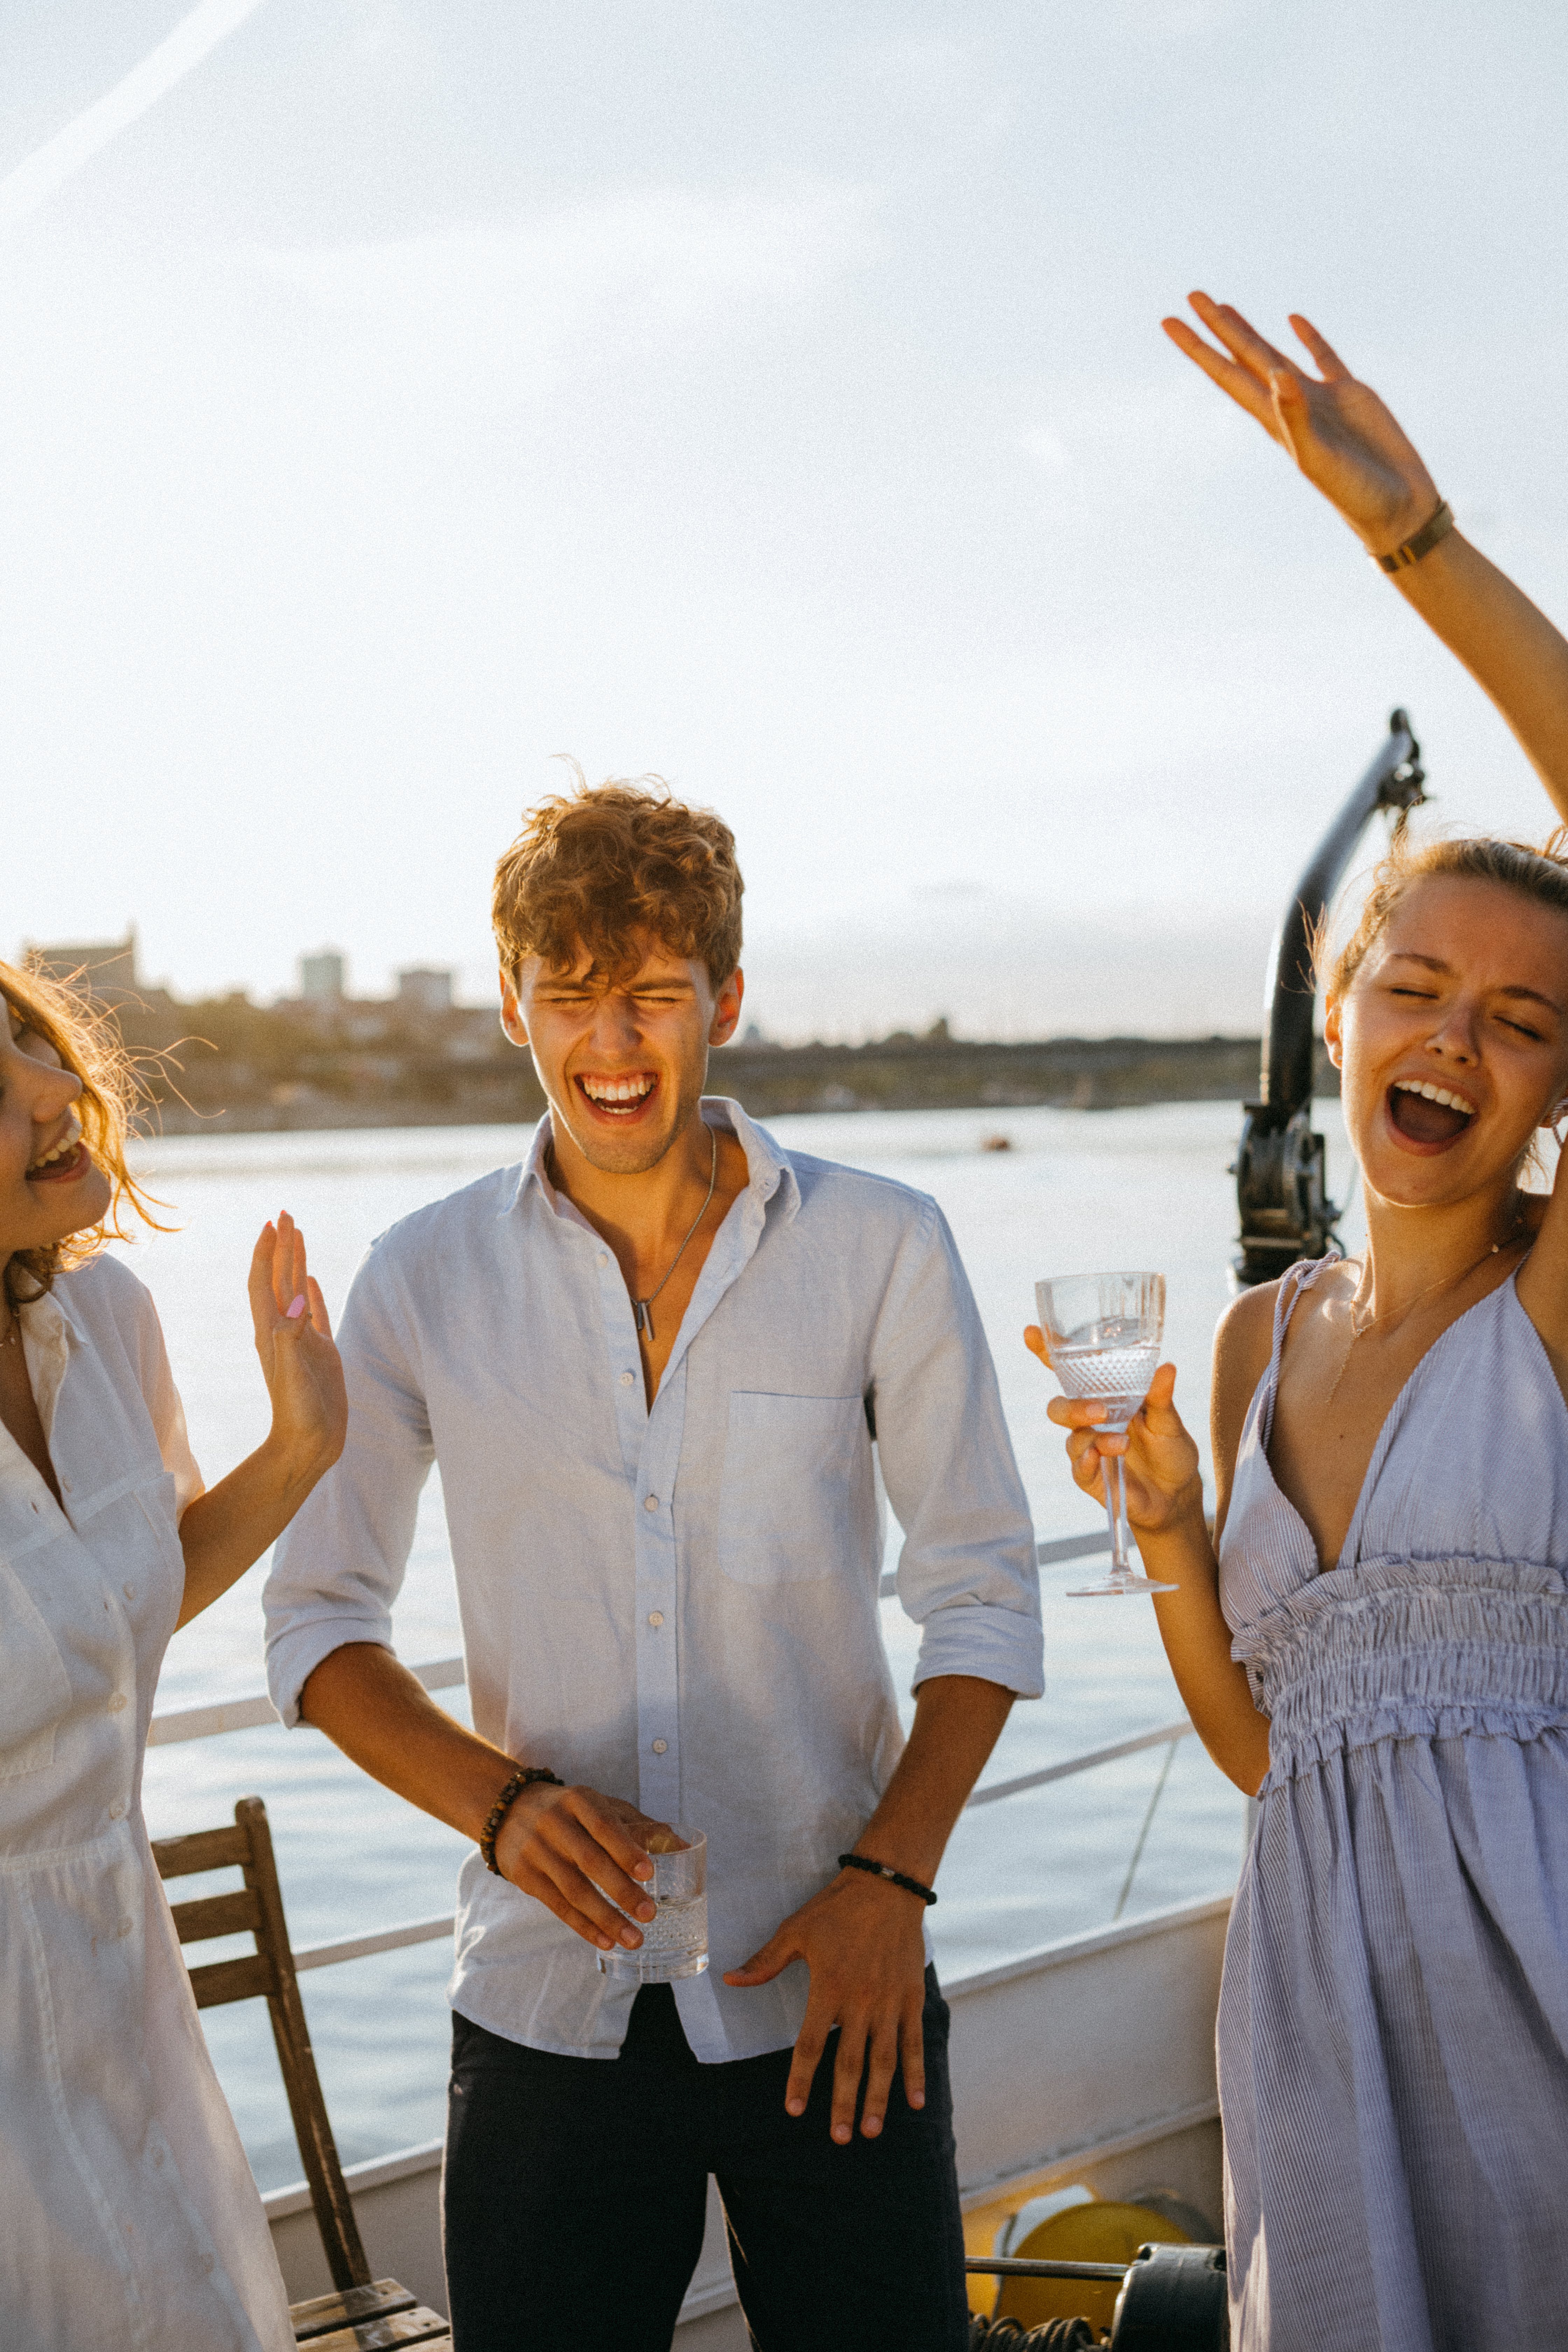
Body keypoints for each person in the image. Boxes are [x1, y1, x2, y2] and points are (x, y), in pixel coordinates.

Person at [262, 781, 1043, 2352]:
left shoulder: (884, 1245)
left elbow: (982, 1590)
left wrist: (892, 1884)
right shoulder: (420, 1278)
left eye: (649, 998)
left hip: (842, 1980)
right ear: (513, 1010)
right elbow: (315, 1622)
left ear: (725, 1003)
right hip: (546, 2005)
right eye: (570, 998)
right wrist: (500, 1804)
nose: (610, 1047)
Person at [1030, 296, 1568, 2351]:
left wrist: (1416, 540)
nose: (1459, 1038)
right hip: (1319, 2023)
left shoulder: (1553, 1304)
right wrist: (1169, 1535)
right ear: (1342, 1007)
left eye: (1524, 1024)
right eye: (1417, 986)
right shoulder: (1258, 1341)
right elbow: (1272, 1755)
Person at [0, 959, 347, 2351]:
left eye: (33, 1040)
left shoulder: (107, 1320)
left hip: (122, 1990)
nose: (55, 1083)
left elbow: (105, 1622)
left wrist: (302, 1449)